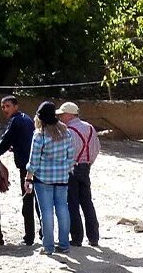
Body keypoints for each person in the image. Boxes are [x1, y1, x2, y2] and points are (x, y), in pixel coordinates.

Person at [26, 101, 80, 254]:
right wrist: (66, 169)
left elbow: (34, 161)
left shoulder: (39, 135)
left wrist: (28, 178)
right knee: (63, 209)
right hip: (62, 178)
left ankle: (48, 247)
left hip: (43, 179)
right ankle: (64, 245)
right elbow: (71, 156)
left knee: (47, 213)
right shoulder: (66, 132)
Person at [0, 95, 36, 245]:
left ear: (15, 106)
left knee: (27, 201)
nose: (5, 109)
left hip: (27, 168)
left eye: (7, 106)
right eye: (3, 107)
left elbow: (6, 139)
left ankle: (29, 238)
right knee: (38, 201)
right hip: (35, 165)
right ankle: (42, 233)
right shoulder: (27, 118)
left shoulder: (16, 120)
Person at [58, 101, 100, 247]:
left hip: (72, 169)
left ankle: (76, 238)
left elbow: (68, 153)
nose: (61, 118)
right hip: (85, 167)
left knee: (72, 204)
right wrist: (88, 163)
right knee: (87, 202)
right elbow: (96, 148)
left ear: (69, 115)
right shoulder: (89, 128)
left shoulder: (68, 131)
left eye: (62, 115)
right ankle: (94, 237)